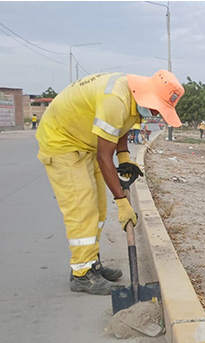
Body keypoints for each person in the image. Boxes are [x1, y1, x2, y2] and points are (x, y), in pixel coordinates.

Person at [35, 70, 185, 294]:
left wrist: (124, 157)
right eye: (157, 108)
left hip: (86, 144)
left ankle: (89, 262)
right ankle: (82, 275)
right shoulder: (115, 99)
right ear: (148, 97)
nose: (156, 113)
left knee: (98, 209)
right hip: (63, 143)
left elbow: (120, 127)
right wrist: (123, 202)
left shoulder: (132, 95)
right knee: (82, 208)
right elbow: (104, 157)